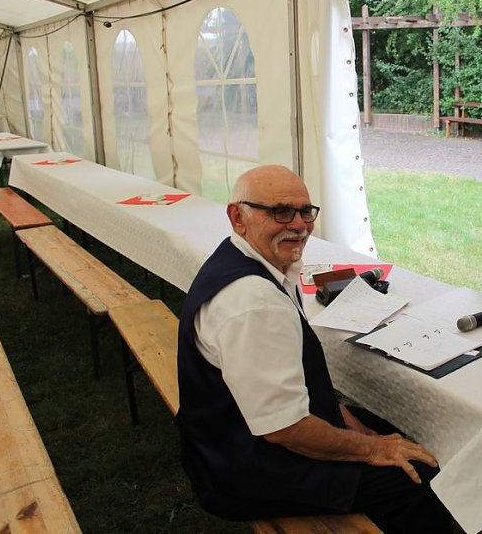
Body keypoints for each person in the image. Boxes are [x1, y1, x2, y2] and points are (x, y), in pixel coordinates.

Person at [176, 165, 453, 533]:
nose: (299, 225)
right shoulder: (254, 301)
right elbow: (284, 429)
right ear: (238, 217)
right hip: (241, 471)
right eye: (280, 212)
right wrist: (372, 449)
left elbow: (282, 396)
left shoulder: (245, 260)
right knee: (416, 475)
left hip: (228, 439)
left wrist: (344, 419)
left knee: (389, 430)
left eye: (305, 211)